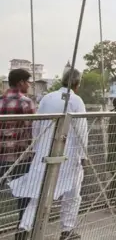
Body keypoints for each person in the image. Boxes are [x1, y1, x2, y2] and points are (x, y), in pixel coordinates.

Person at [10, 68, 88, 240]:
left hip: (45, 153)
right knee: (72, 195)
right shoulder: (76, 100)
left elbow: (36, 125)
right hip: (70, 156)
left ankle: (24, 227)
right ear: (77, 83)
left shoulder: (47, 97)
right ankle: (67, 231)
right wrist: (83, 156)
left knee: (38, 194)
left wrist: (38, 148)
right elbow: (82, 130)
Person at [0, 69, 35, 240]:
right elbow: (32, 130)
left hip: (1, 156)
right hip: (21, 157)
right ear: (21, 82)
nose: (29, 85)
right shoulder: (26, 103)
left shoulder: (0, 101)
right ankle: (21, 232)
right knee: (23, 195)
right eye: (28, 81)